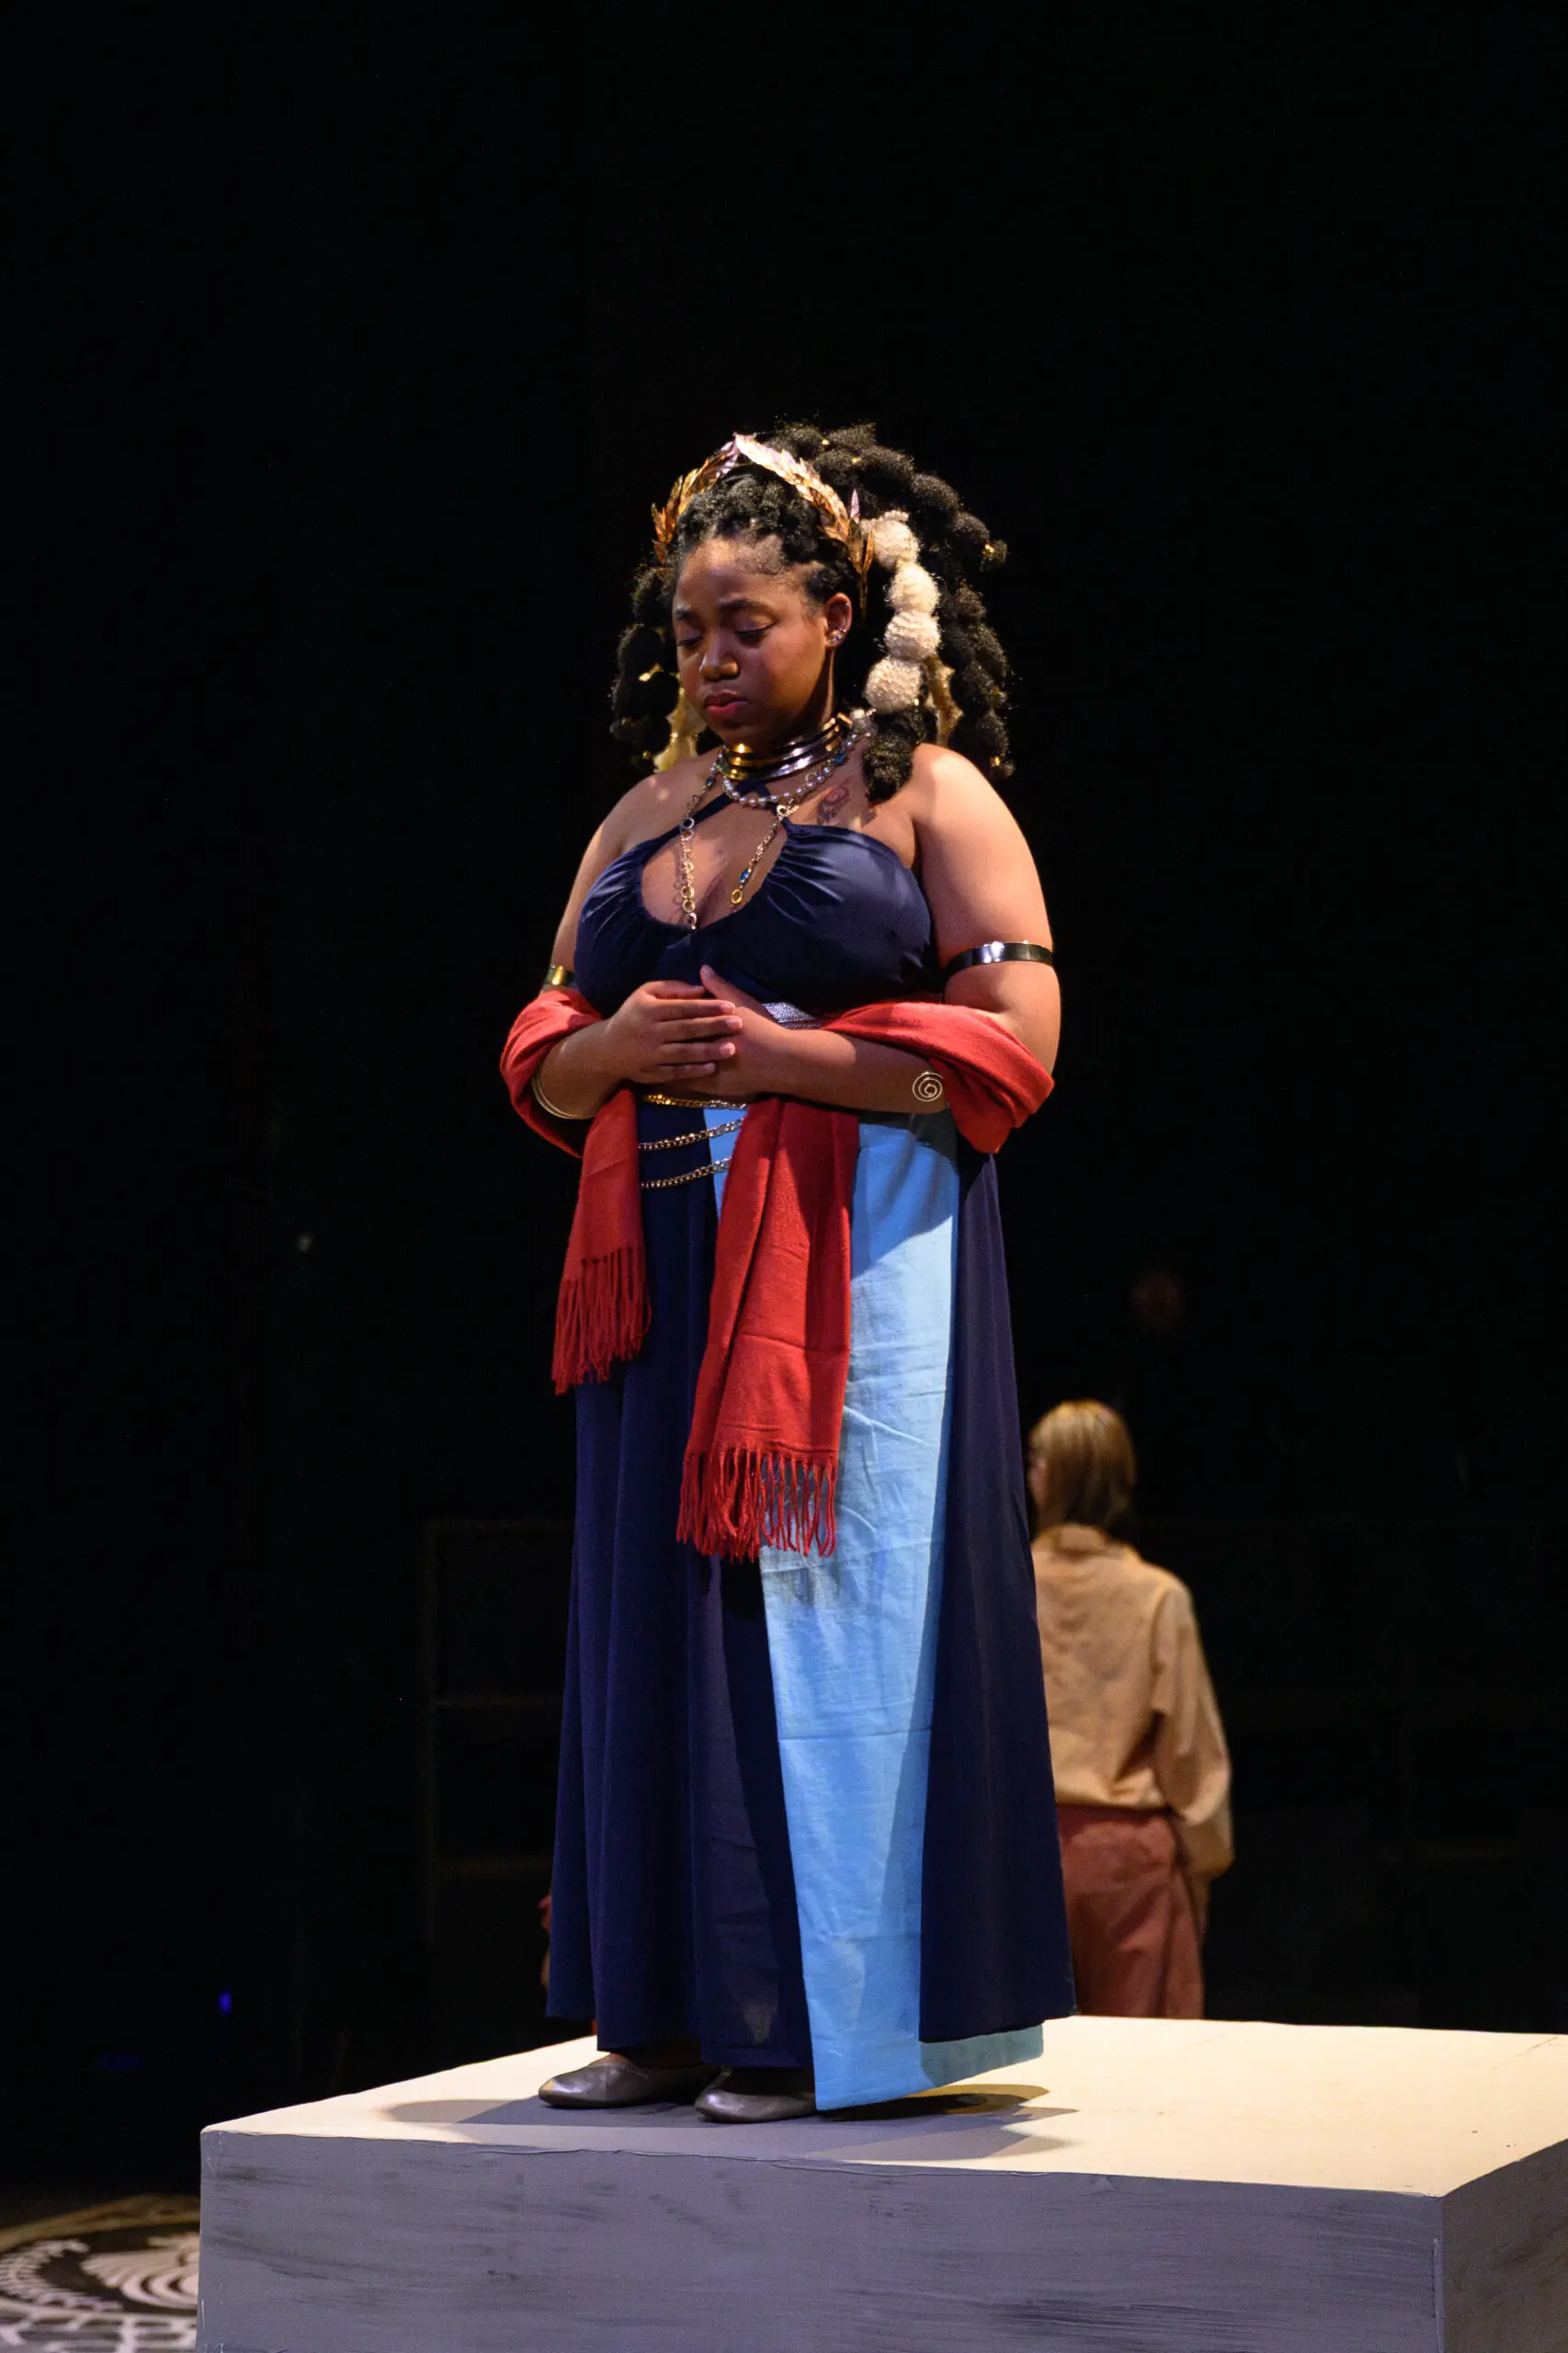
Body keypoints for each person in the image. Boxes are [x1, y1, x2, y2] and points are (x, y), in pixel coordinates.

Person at [501, 424, 1074, 2122]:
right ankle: (660, 2015)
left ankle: (810, 2025)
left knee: (821, 1617)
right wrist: (613, 1047)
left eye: (745, 624)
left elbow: (1018, 1038)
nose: (709, 657)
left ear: (836, 613)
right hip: (661, 1275)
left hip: (850, 1271)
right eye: (688, 630)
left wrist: (786, 1061)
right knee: (654, 1626)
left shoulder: (926, 795)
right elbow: (542, 1047)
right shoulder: (649, 810)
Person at [1028, 1400, 1233, 2018]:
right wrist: (1202, 1864)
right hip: (1129, 1867)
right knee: (1143, 2060)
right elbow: (1190, 1753)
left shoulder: (1003, 1586)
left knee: (1023, 2060)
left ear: (1050, 1476)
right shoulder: (1157, 1598)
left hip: (1020, 1851)